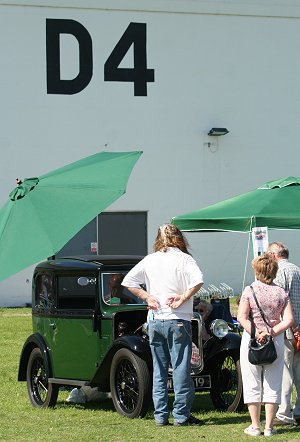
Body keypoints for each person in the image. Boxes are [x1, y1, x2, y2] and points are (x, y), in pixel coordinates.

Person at [122, 223, 204, 426]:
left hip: (156, 320)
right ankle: (181, 416)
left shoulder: (151, 259)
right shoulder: (185, 259)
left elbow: (128, 281)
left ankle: (160, 416)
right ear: (179, 237)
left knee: (159, 369)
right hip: (177, 319)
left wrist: (147, 297)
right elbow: (199, 280)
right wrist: (183, 297)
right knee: (181, 368)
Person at [237, 254, 294, 437]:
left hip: (252, 341)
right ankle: (269, 427)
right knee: (273, 383)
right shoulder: (281, 292)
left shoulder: (249, 290)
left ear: (257, 270)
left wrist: (256, 333)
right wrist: (271, 332)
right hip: (274, 341)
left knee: (252, 382)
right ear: (274, 271)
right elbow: (289, 320)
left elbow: (242, 317)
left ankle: (255, 426)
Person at [267, 242, 300, 426]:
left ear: (273, 255)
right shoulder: (297, 269)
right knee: (298, 372)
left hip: (287, 329)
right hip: (299, 329)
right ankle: (298, 411)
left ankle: (284, 413)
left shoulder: (279, 272)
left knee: (285, 371)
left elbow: (277, 301)